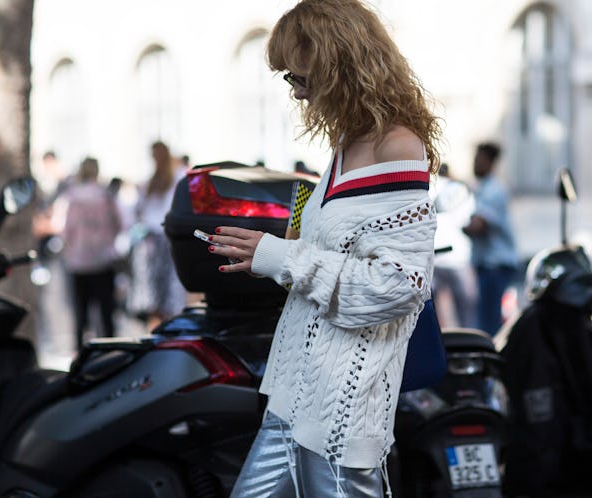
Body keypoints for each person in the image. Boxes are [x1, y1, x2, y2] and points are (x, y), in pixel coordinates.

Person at [204, 1, 442, 496]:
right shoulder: (344, 146)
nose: (295, 91)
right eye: (287, 78)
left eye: (299, 76)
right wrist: (268, 256)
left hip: (341, 412)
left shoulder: (395, 146)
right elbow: (327, 254)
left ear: (338, 63)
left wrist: (281, 257)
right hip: (293, 399)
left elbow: (400, 285)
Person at [55, 157, 122, 350]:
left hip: (78, 261)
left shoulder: (72, 197)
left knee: (80, 316)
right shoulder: (106, 196)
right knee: (106, 315)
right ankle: (111, 353)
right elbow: (119, 224)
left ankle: (80, 355)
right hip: (103, 259)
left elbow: (65, 229)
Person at [126, 140, 187, 330]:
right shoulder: (152, 182)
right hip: (154, 239)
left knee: (164, 291)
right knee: (154, 293)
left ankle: (164, 327)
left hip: (162, 238)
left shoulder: (174, 178)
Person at [462, 142, 518, 336]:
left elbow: (478, 225)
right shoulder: (484, 188)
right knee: (486, 318)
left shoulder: (494, 190)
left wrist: (461, 226)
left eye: (478, 160)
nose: (474, 164)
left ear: (489, 162)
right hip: (488, 265)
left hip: (495, 265)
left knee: (488, 323)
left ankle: (491, 362)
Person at [431, 163, 478, 328]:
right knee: (466, 311)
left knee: (433, 313)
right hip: (458, 257)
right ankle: (469, 345)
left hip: (434, 258)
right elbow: (468, 220)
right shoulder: (460, 190)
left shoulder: (426, 189)